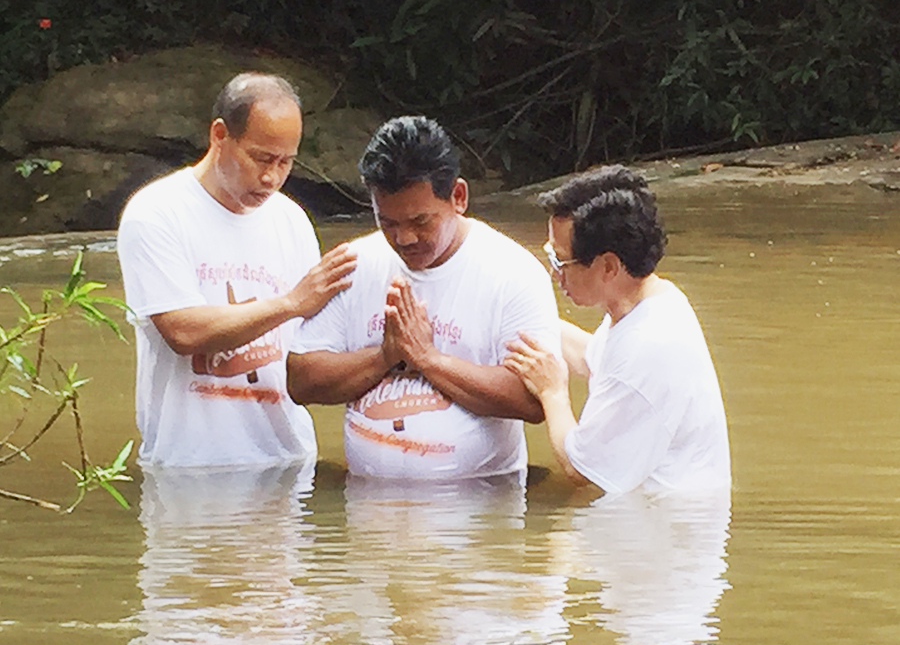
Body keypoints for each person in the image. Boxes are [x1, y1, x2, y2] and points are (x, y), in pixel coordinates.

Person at [286, 115, 560, 480]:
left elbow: (533, 400)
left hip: (480, 507)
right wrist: (386, 355)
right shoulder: (353, 265)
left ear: (458, 197)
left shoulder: (514, 273)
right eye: (388, 223)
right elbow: (300, 381)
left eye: (420, 222)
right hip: (369, 507)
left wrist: (429, 359)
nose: (405, 239)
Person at [117, 72, 357, 468]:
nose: (272, 177)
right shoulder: (156, 214)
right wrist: (292, 302)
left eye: (286, 162)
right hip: (188, 467)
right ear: (219, 135)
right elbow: (183, 330)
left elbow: (311, 348)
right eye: (261, 158)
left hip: (289, 462)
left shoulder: (292, 221)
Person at [504, 165, 730, 496]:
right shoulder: (652, 301)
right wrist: (516, 317)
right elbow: (594, 357)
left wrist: (552, 392)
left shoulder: (650, 342)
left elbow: (579, 468)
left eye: (560, 261)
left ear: (609, 266)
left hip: (659, 529)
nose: (555, 274)